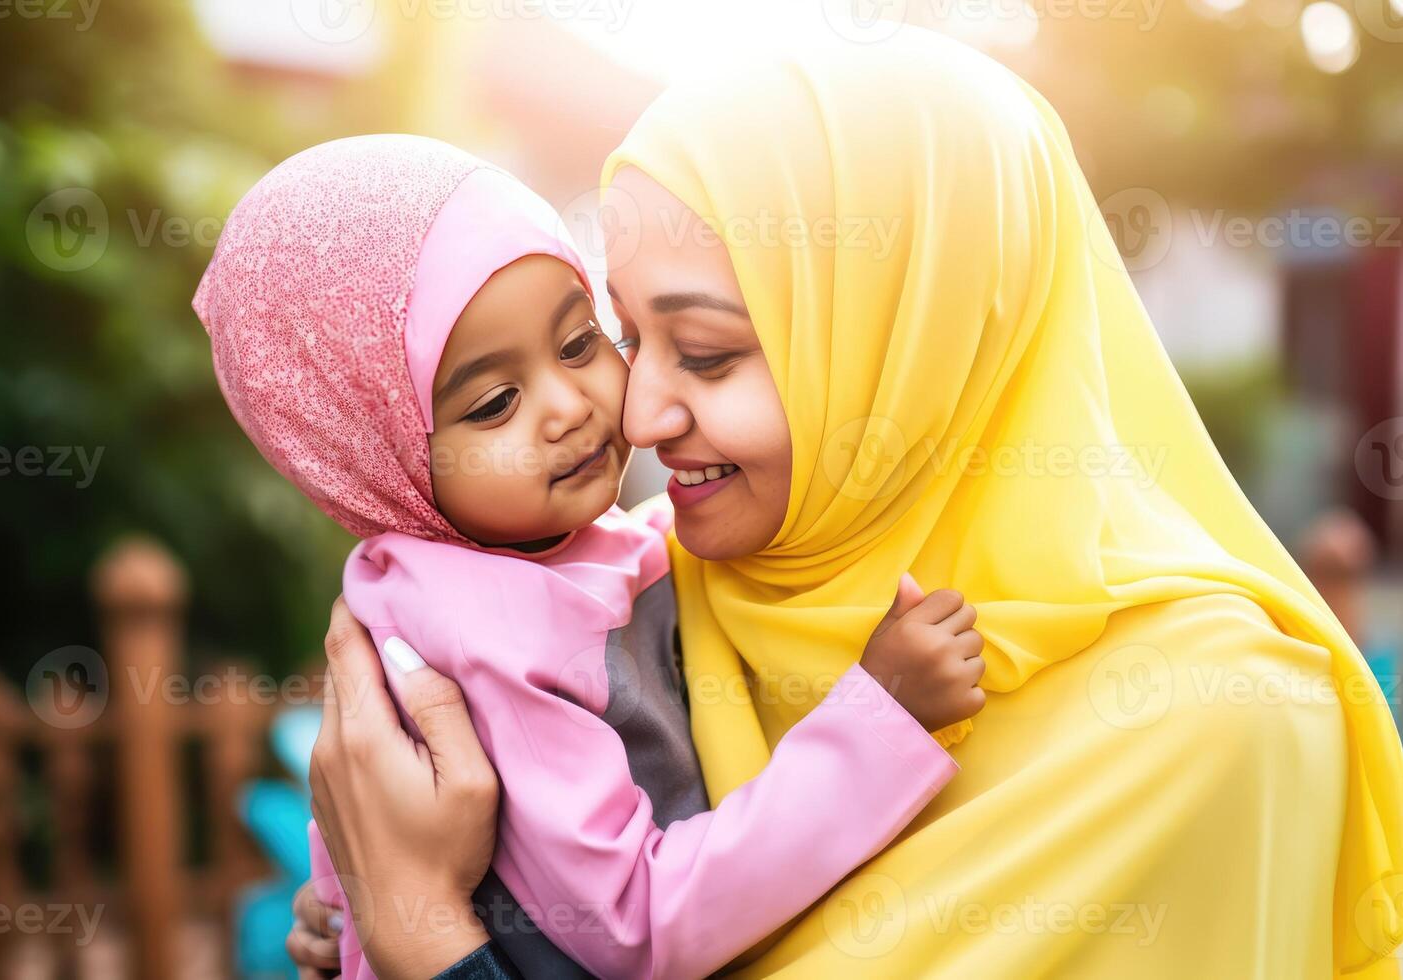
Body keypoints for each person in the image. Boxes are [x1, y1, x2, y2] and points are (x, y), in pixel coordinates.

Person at [295, 31, 1403, 979]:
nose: (633, 412)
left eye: (711, 352)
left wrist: (428, 932)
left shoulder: (1217, 719)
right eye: (626, 334)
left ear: (915, 349)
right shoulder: (631, 592)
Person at [194, 134, 986, 980]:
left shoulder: (538, 550)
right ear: (376, 453)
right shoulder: (486, 638)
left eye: (579, 344)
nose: (572, 406)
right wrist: (880, 723)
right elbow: (638, 924)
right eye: (496, 402)